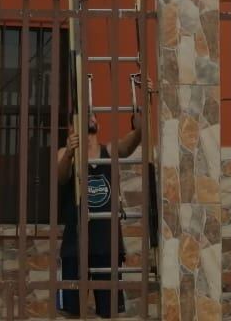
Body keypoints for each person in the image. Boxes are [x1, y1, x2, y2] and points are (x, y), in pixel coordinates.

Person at [55, 111, 143, 318]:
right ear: (71, 127)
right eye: (84, 116)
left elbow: (128, 145)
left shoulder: (109, 151)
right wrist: (69, 152)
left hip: (107, 244)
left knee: (109, 312)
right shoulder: (65, 153)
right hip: (75, 245)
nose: (90, 118)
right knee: (72, 313)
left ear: (98, 124)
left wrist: (139, 127)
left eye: (92, 115)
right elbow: (61, 176)